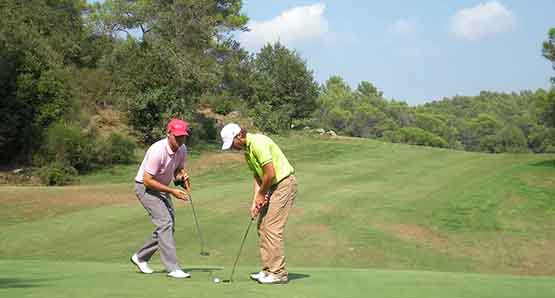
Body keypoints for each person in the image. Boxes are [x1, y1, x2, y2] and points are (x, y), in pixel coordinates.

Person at [220, 123, 297, 284]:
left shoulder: (258, 143)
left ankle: (279, 273)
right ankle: (267, 270)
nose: (233, 147)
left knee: (272, 228)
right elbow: (258, 176)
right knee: (262, 226)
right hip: (270, 185)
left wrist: (262, 193)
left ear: (239, 136)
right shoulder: (247, 150)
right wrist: (255, 200)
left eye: (232, 143)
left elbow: (270, 173)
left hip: (283, 184)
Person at [130, 118, 192, 279]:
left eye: (183, 136)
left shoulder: (182, 148)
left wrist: (181, 178)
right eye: (177, 136)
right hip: (145, 188)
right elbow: (147, 180)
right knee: (165, 223)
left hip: (162, 188)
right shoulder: (157, 150)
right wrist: (172, 191)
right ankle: (172, 268)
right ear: (168, 133)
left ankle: (140, 257)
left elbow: (177, 169)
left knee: (167, 227)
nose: (180, 139)